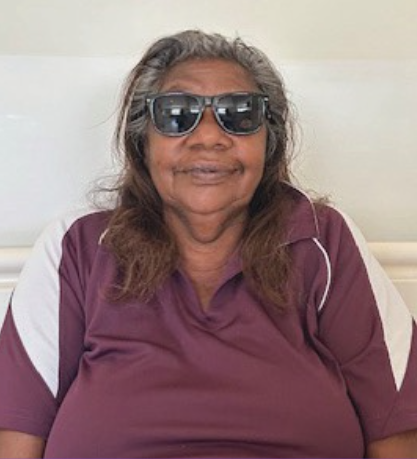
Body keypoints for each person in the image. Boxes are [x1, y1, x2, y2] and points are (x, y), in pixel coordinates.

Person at [0, 29, 416, 459]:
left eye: (239, 114)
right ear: (143, 140)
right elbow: (16, 438)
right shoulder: (77, 247)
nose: (209, 137)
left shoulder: (323, 240)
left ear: (268, 140)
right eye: (177, 114)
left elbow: (397, 429)